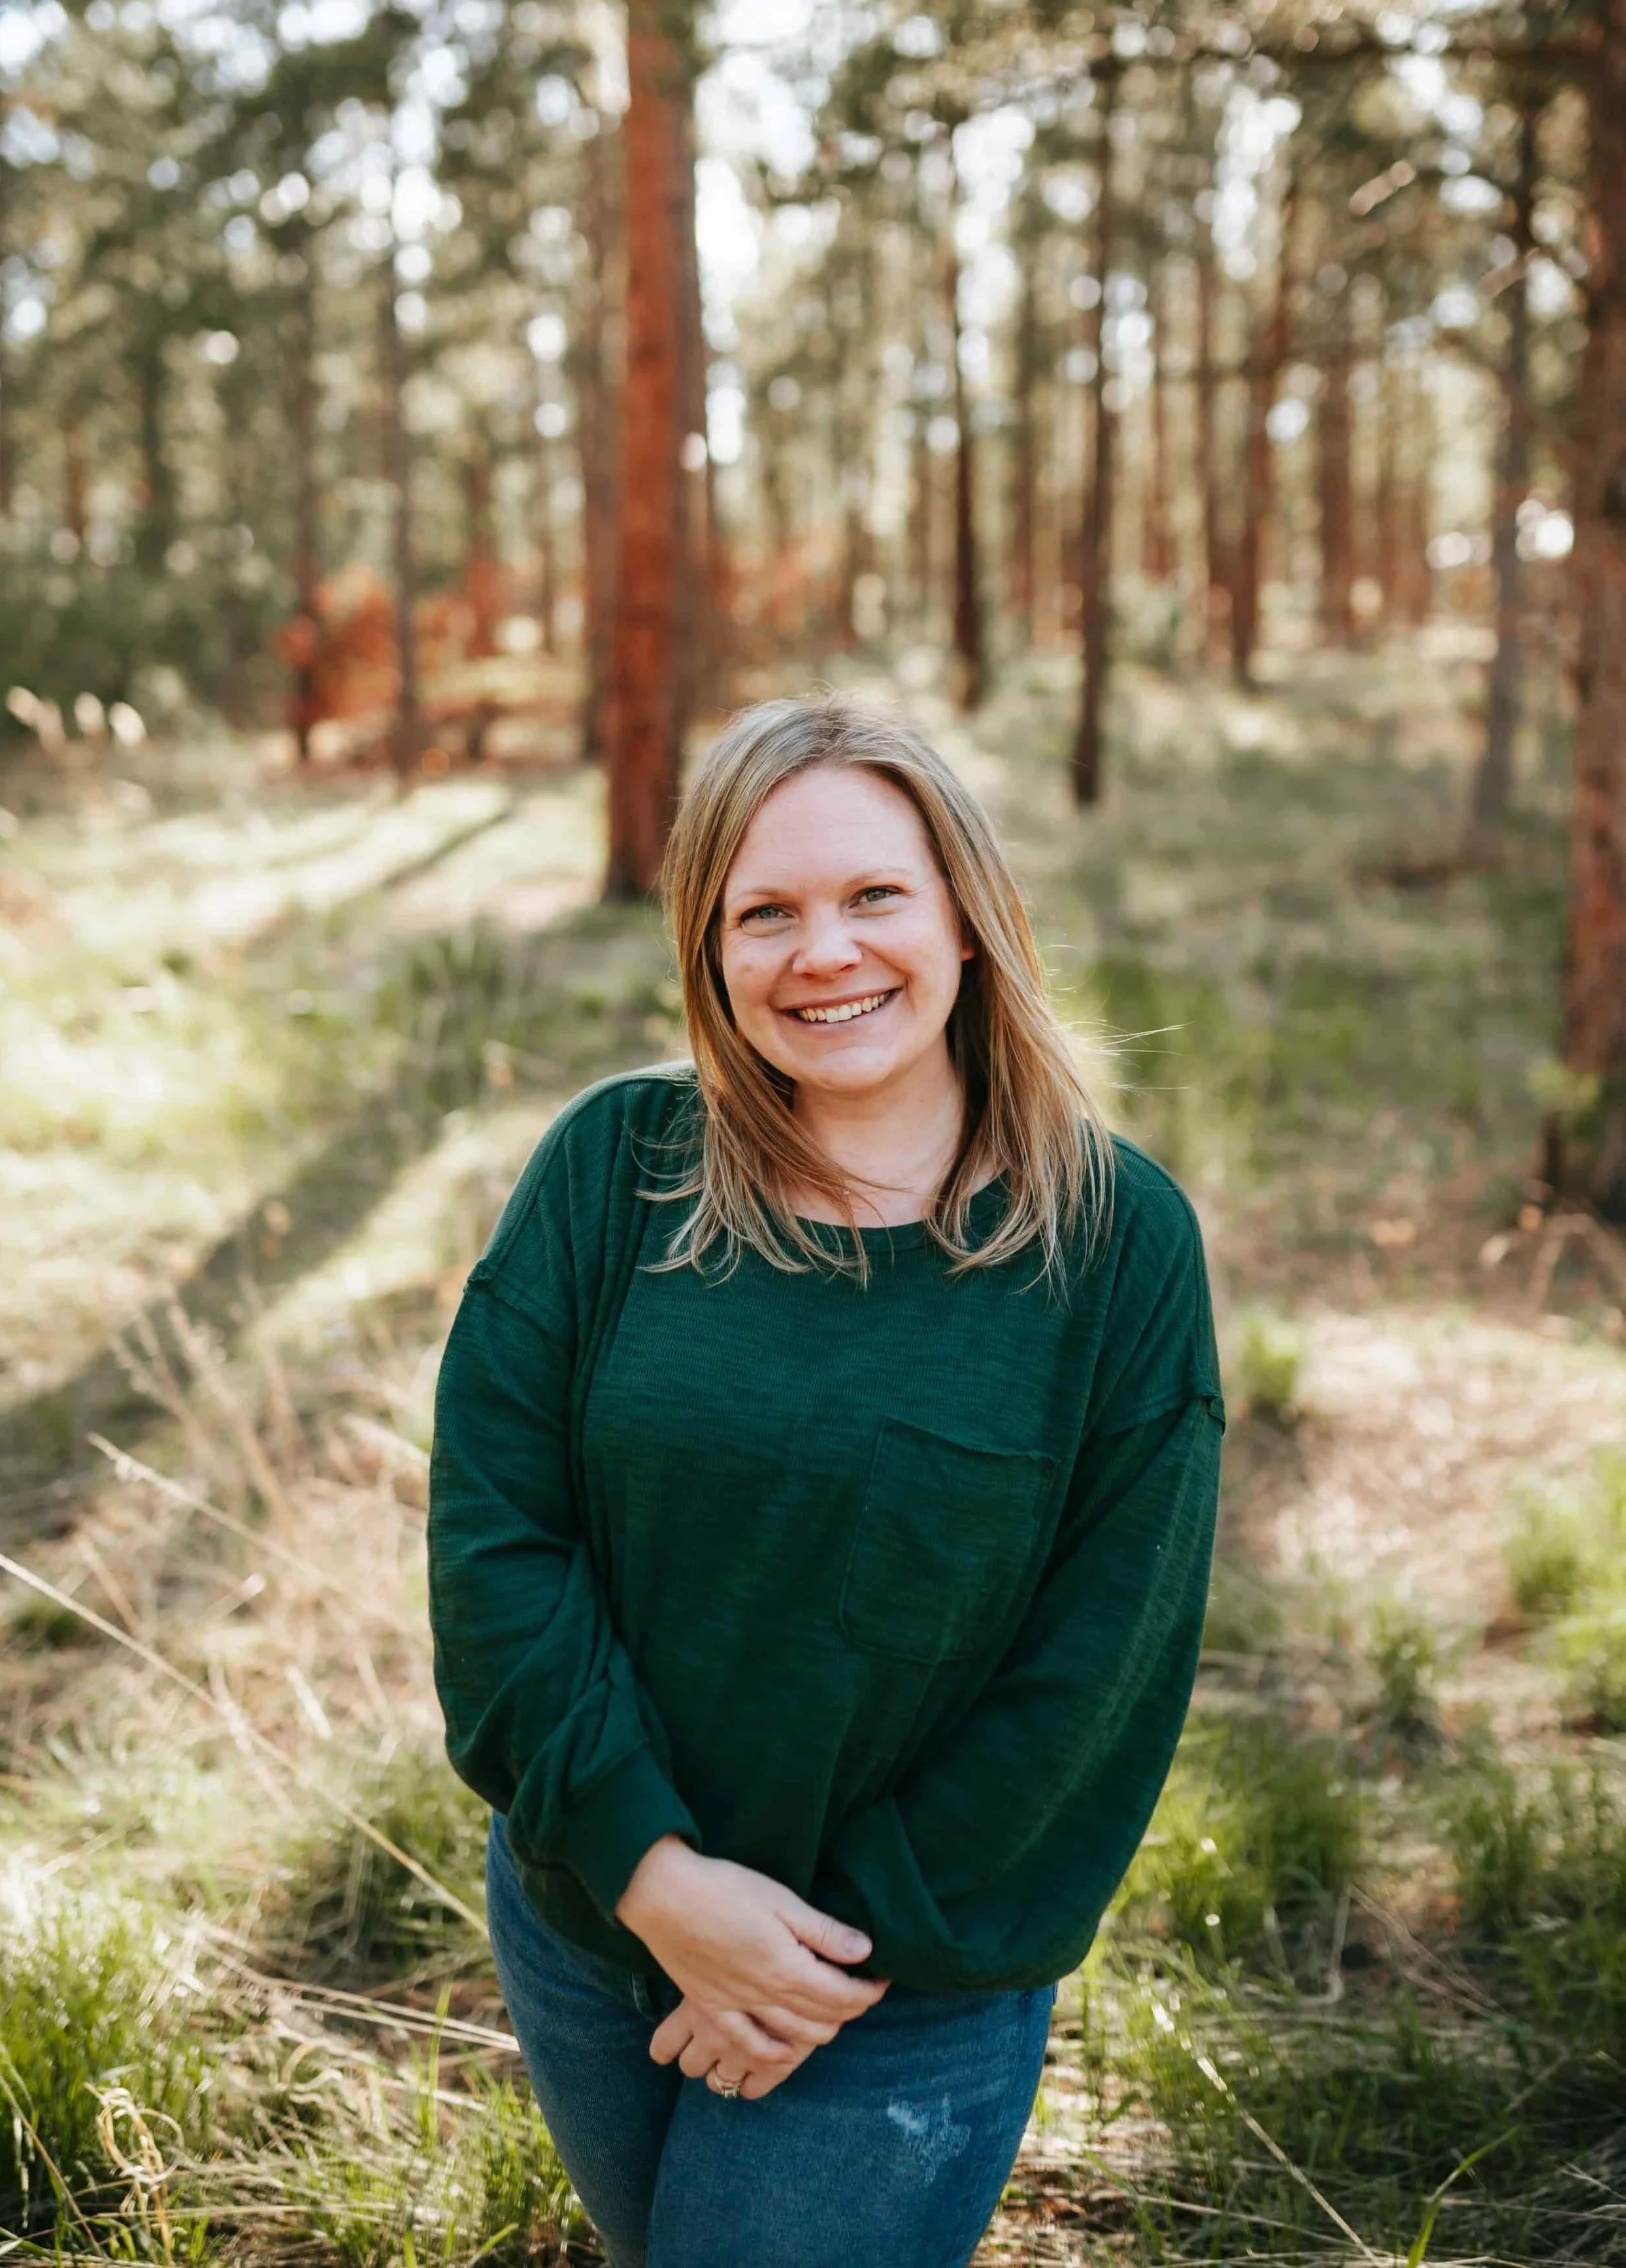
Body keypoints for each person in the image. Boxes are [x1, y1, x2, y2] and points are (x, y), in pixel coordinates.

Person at [427, 693, 1225, 2268]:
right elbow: (496, 1540)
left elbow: (1099, 1670)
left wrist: (813, 1959)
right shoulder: (611, 1171)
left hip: (900, 1988)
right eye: (765, 912)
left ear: (966, 919)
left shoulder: (1115, 1245)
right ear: (707, 947)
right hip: (595, 1923)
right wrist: (656, 1878)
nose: (823, 953)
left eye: (873, 896)